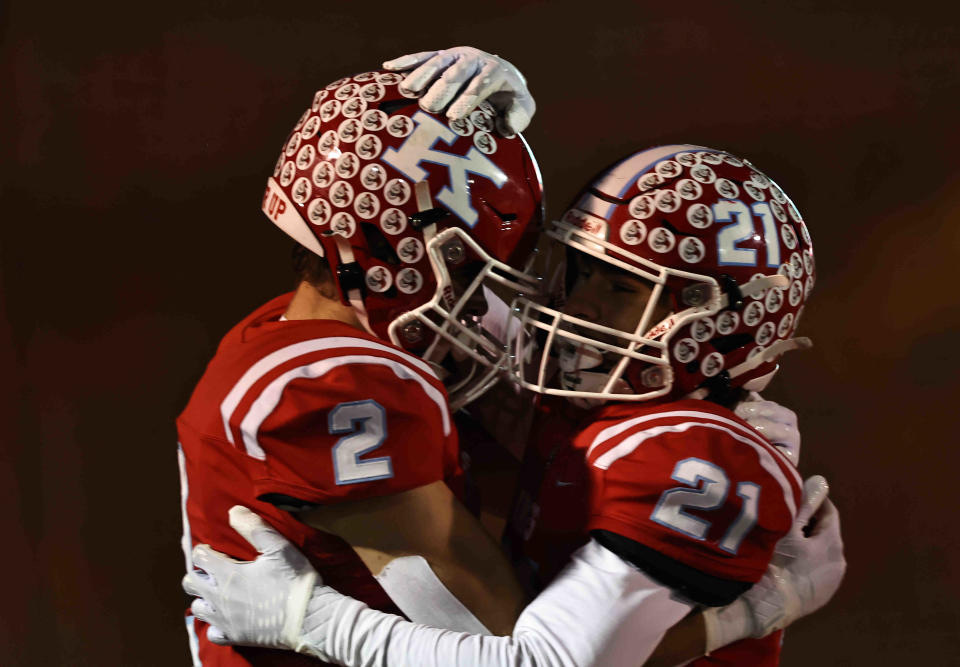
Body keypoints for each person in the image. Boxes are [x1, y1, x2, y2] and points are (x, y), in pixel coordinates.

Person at [182, 144, 846, 666]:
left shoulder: (704, 455)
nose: (575, 306)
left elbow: (544, 664)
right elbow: (407, 262)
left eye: (618, 287)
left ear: (714, 326)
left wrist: (311, 620)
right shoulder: (588, 385)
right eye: (580, 270)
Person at [177, 47, 549, 666]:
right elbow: (512, 650)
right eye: (474, 267)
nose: (488, 302)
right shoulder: (336, 384)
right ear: (402, 262)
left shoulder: (292, 331)